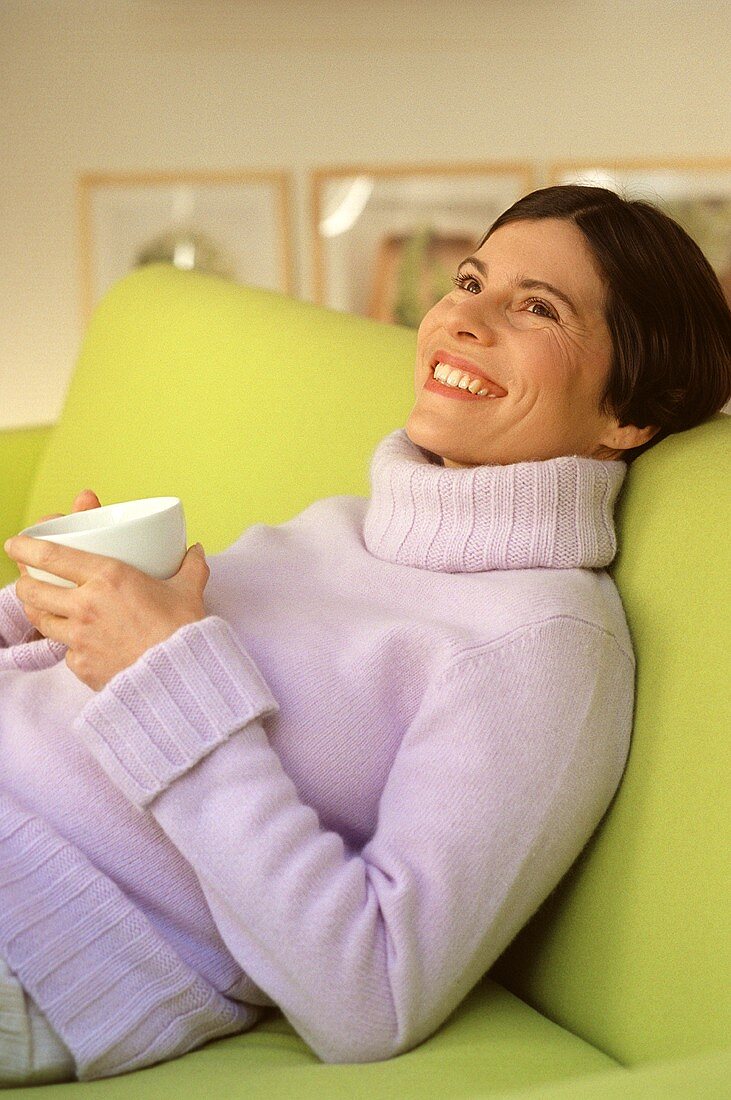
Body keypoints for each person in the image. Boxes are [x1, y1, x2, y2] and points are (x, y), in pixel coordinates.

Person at [1, 184, 729, 1085]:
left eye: (536, 307)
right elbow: (95, 677)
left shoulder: (543, 646)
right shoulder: (340, 526)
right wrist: (47, 609)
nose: (462, 316)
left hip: (43, 926)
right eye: (468, 281)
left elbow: (372, 997)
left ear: (632, 412)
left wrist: (160, 671)